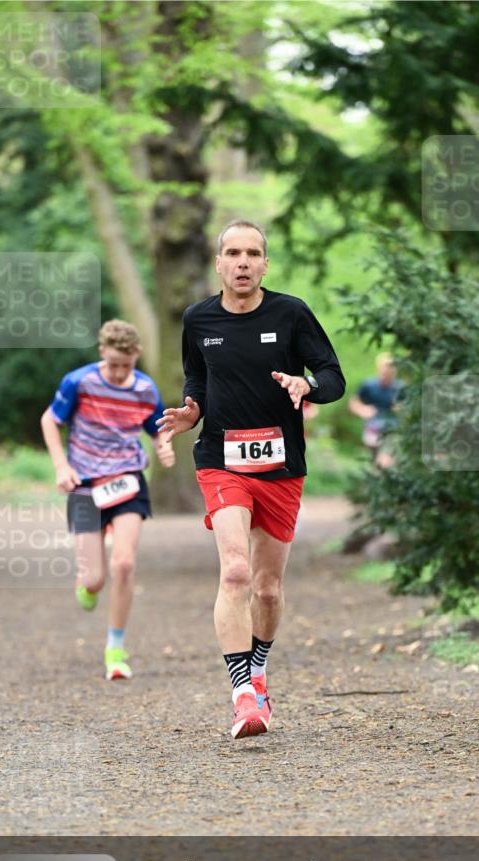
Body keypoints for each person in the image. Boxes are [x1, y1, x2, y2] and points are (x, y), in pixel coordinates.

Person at [157, 219, 345, 739]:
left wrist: (304, 385)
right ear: (218, 263)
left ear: (265, 263)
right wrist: (190, 413)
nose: (243, 262)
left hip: (282, 466)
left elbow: (333, 377)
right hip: (221, 459)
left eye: (253, 253)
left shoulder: (291, 313)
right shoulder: (197, 319)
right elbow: (197, 377)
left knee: (266, 588)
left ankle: (258, 671)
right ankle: (243, 695)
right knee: (236, 572)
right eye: (233, 253)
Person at [40, 319, 174, 680]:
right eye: (112, 364)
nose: (118, 373)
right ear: (102, 353)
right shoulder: (79, 382)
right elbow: (50, 421)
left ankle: (116, 647)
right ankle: (87, 582)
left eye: (125, 366)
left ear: (137, 357)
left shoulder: (145, 389)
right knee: (96, 579)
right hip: (83, 485)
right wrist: (60, 466)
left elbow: (157, 428)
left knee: (125, 565)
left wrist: (164, 447)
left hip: (127, 481)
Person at [349, 352, 405, 468]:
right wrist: (363, 410)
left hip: (393, 430)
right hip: (372, 429)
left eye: (390, 367)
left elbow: (408, 408)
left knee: (386, 460)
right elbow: (354, 403)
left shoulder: (400, 387)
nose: (387, 370)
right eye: (384, 366)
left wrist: (401, 409)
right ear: (378, 367)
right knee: (376, 464)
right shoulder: (369, 385)